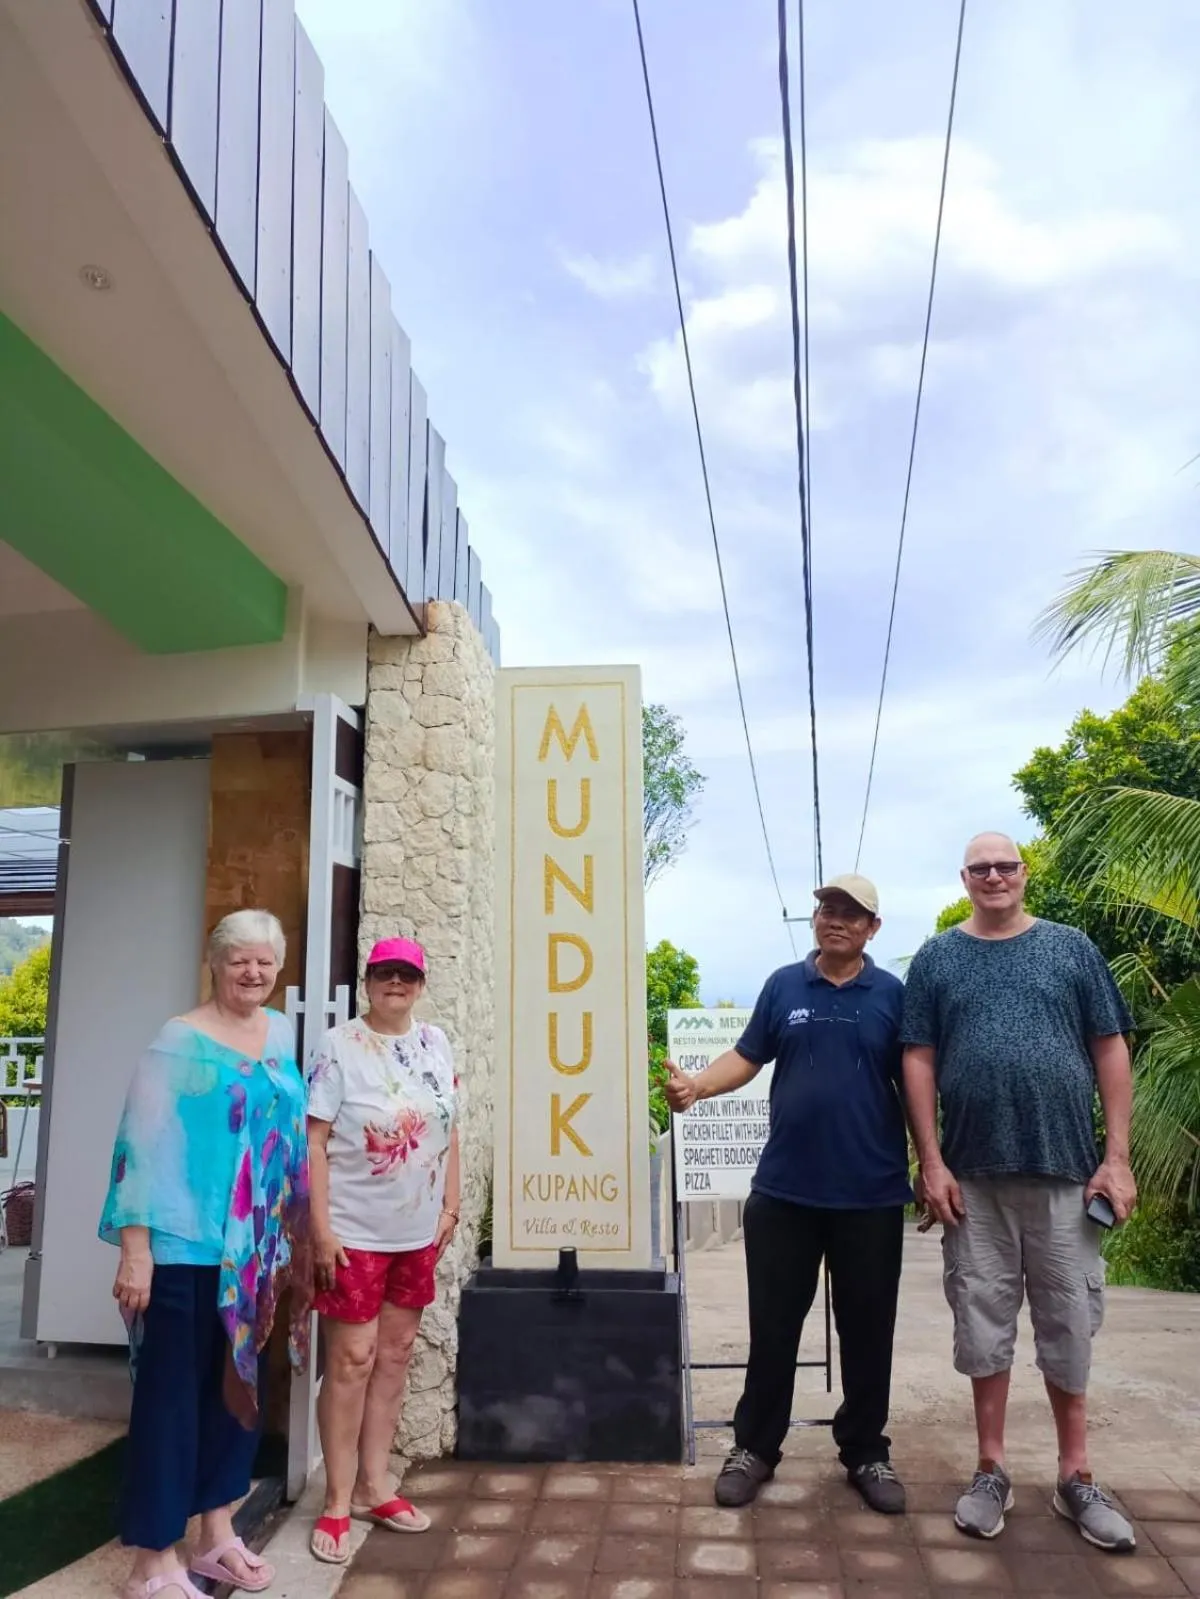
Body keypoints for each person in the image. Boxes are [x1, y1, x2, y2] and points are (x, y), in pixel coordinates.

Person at [902, 832, 1138, 1552]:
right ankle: (991, 1468)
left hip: (1067, 1171)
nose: (995, 875)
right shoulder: (938, 957)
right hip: (971, 1179)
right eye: (981, 868)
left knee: (1069, 1322)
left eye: (1006, 865)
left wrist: (1118, 1157)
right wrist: (931, 1161)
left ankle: (1076, 1476)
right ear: (965, 878)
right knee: (983, 1322)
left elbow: (1110, 1045)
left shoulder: (1071, 948)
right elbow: (916, 1057)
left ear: (1024, 873)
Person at [665, 874, 911, 1515]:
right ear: (815, 919)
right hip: (785, 1194)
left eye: (851, 914)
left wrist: (934, 1164)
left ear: (872, 929)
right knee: (773, 1329)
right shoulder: (782, 986)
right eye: (828, 908)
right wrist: (697, 1087)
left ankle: (865, 1450)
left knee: (866, 1332)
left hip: (871, 1194)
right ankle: (755, 1448)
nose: (837, 920)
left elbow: (914, 1083)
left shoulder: (892, 995)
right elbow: (747, 1056)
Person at [100, 909, 310, 1599]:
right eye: (238, 960)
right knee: (170, 1403)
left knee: (236, 1396)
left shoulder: (278, 1030)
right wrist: (136, 1252)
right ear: (214, 963)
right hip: (183, 1249)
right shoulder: (177, 1041)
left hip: (253, 1256)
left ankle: (217, 1535)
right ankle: (151, 1565)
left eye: (265, 961)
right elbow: (138, 1147)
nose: (253, 972)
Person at [307, 937, 461, 1565]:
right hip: (353, 1234)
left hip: (417, 1233)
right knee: (352, 1360)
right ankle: (338, 1500)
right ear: (367, 981)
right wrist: (320, 1228)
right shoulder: (338, 1046)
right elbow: (314, 1141)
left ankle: (376, 1485)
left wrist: (449, 1207)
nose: (395, 983)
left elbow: (451, 1129)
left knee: (394, 1355)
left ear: (421, 984)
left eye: (406, 974)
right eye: (383, 974)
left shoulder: (436, 1043)